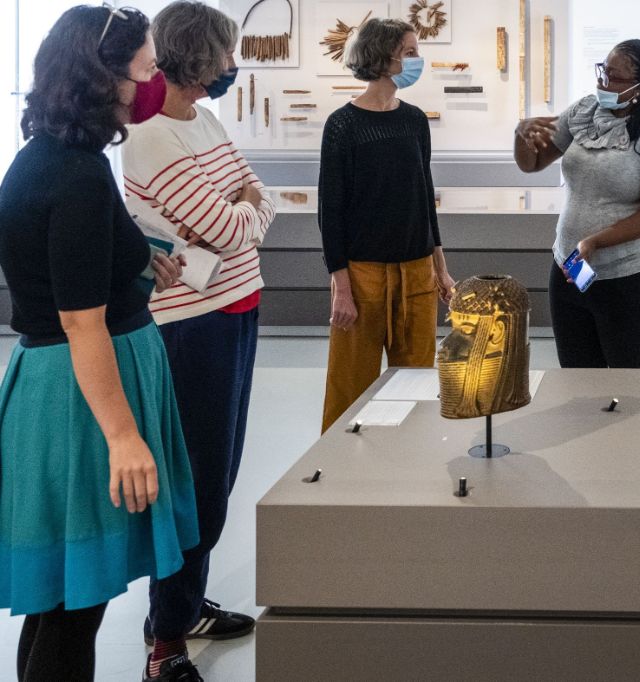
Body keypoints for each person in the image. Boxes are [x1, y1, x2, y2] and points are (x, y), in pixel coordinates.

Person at [0, 6, 199, 681]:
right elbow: (81, 321)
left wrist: (138, 256)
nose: (152, 83)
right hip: (81, 401)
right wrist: (123, 437)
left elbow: (75, 263)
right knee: (72, 608)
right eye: (145, 70)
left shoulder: (56, 158)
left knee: (59, 604)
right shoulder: (76, 177)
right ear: (101, 75)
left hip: (62, 382)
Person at [121, 1, 275, 679]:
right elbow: (238, 224)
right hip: (193, 327)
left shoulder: (206, 121)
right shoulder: (151, 136)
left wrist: (245, 206)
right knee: (196, 483)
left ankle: (185, 607)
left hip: (237, 307)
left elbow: (253, 197)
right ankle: (166, 640)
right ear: (200, 56)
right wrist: (244, 207)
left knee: (219, 473)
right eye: (226, 53)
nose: (231, 65)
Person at [319, 18, 456, 432]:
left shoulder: (414, 120)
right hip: (362, 276)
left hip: (417, 273)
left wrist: (440, 267)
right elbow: (331, 212)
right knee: (350, 385)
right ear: (384, 57)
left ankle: (407, 466)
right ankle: (338, 468)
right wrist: (341, 288)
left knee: (414, 383)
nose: (417, 60)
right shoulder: (342, 125)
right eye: (410, 52)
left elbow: (424, 197)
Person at [514, 39, 640, 369]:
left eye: (615, 77)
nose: (603, 83)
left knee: (631, 376)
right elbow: (533, 163)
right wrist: (521, 135)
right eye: (603, 72)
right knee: (578, 373)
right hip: (572, 269)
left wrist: (596, 241)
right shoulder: (583, 112)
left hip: (628, 278)